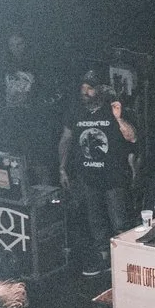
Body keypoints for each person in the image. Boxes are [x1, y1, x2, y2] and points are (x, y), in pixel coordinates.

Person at [59, 67, 137, 279]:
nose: (85, 92)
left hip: (113, 176)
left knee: (120, 221)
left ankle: (125, 262)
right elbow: (66, 140)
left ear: (100, 90)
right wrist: (62, 168)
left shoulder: (113, 109)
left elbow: (132, 138)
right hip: (88, 177)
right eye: (83, 88)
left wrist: (119, 118)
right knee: (95, 221)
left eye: (90, 89)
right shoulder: (75, 112)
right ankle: (103, 258)